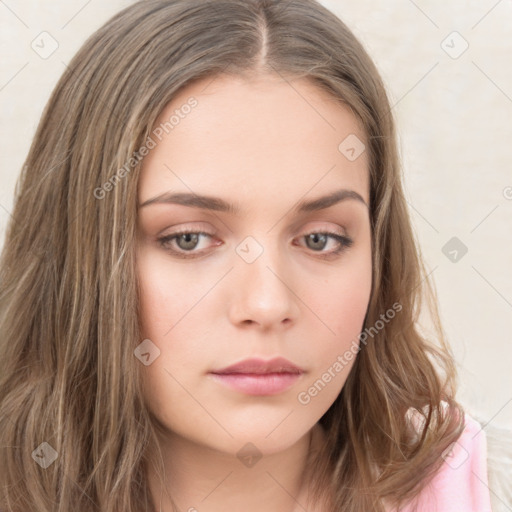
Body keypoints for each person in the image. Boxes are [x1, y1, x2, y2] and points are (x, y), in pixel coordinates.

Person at [0, 1, 505, 511]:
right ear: (78, 253)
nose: (267, 304)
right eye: (189, 239)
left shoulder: (480, 488)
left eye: (320, 239)